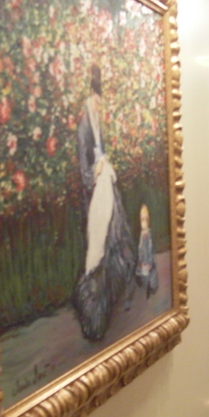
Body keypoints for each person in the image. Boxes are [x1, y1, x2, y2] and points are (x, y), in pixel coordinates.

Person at [72, 66, 135, 341]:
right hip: (96, 189)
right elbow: (83, 167)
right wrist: (93, 172)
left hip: (105, 183)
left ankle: (114, 285)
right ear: (90, 96)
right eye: (96, 100)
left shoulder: (96, 122)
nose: (99, 105)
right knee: (97, 242)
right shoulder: (84, 126)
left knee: (115, 233)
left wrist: (103, 166)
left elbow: (101, 152)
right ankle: (92, 305)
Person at [136, 204, 158, 298]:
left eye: (146, 219)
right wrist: (141, 262)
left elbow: (150, 250)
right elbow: (140, 250)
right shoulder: (141, 235)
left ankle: (151, 285)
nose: (144, 222)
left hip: (149, 262)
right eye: (142, 219)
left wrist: (150, 263)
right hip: (143, 262)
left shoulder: (149, 236)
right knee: (141, 272)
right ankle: (144, 281)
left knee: (151, 277)